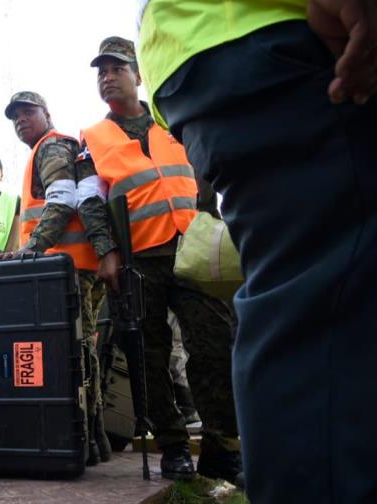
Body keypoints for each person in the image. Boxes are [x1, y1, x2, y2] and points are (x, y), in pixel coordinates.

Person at [138, 2, 376, 501]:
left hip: (200, 53)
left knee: (297, 297)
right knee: (319, 296)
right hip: (272, 31)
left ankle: (232, 452)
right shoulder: (93, 142)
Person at [80, 37, 241, 484]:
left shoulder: (176, 119)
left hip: (194, 250)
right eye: (101, 72)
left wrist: (210, 222)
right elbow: (90, 200)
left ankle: (221, 450)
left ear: (138, 74)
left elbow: (208, 168)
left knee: (213, 347)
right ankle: (172, 446)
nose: (107, 77)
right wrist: (107, 251)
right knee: (147, 358)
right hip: (138, 260)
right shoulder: (92, 138)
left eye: (116, 68)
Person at [0, 91, 119, 467]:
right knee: (81, 353)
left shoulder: (52, 147)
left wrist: (28, 251)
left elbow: (63, 200)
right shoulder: (49, 148)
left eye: (27, 113)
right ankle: (91, 441)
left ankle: (88, 438)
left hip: (68, 269)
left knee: (78, 355)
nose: (21, 121)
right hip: (70, 267)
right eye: (15, 117)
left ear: (46, 113)